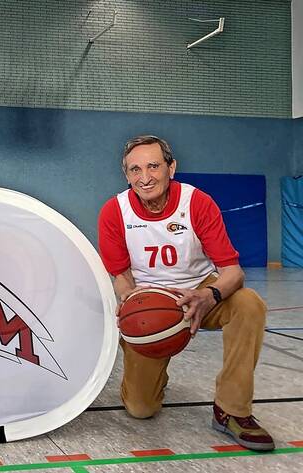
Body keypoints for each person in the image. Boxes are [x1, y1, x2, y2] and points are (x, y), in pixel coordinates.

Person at [97, 135, 274, 451]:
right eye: (135, 169)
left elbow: (233, 273)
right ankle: (153, 377)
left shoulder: (197, 203)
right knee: (140, 409)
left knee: (249, 304)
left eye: (153, 166)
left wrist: (210, 296)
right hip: (149, 302)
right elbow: (121, 279)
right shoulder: (114, 211)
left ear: (171, 167)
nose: (145, 177)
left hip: (199, 290)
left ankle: (232, 410)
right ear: (126, 175)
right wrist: (131, 305)